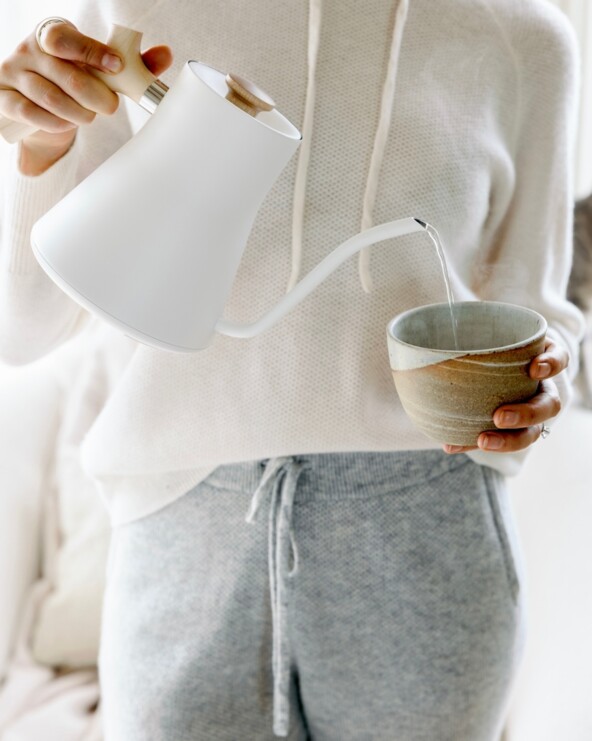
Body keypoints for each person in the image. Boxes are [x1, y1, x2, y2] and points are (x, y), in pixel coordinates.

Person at [0, 1, 585, 738]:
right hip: (182, 528)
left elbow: (537, 300)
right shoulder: (131, 11)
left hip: (429, 528)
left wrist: (546, 378)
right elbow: (22, 332)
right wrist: (40, 144)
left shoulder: (527, 36)